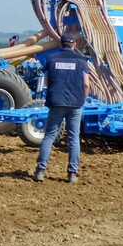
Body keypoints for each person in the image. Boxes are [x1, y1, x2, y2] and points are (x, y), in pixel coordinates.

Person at [33, 32, 90, 184]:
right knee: (73, 138)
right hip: (75, 103)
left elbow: (46, 80)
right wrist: (82, 99)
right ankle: (72, 173)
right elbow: (86, 84)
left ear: (60, 44)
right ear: (74, 44)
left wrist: (54, 91)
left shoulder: (51, 59)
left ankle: (40, 170)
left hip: (56, 102)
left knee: (50, 136)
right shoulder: (81, 60)